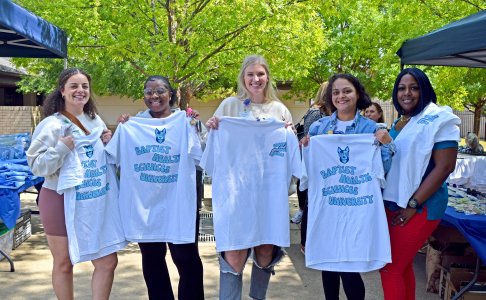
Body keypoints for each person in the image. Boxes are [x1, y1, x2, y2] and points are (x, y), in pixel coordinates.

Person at [204, 55, 299, 300]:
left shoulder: (279, 110)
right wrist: (213, 127)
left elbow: (289, 153)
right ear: (243, 78)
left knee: (266, 249)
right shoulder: (229, 106)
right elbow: (211, 146)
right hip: (236, 193)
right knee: (234, 252)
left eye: (260, 74)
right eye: (250, 75)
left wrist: (289, 135)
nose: (256, 79)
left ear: (267, 77)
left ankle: (258, 297)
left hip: (268, 194)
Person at [26, 68, 116, 300]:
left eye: (84, 86)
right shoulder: (51, 125)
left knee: (107, 260)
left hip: (94, 198)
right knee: (64, 262)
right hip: (58, 198)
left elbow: (102, 158)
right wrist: (62, 148)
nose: (80, 91)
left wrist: (108, 142)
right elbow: (36, 166)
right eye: (74, 86)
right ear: (62, 91)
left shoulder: (95, 121)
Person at [305, 73, 395, 300]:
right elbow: (308, 167)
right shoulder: (318, 128)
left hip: (358, 207)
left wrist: (387, 144)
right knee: (329, 262)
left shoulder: (370, 129)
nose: (341, 96)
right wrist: (304, 147)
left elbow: (385, 166)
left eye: (347, 91)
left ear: (357, 94)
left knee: (349, 266)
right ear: (330, 97)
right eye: (336, 92)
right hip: (328, 206)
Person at [114, 75, 204, 300]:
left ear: (171, 94)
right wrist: (119, 130)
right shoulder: (132, 125)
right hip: (146, 205)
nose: (154, 96)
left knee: (186, 258)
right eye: (148, 92)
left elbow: (201, 155)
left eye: (160, 91)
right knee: (152, 259)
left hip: (179, 201)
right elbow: (113, 155)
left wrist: (198, 127)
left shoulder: (186, 122)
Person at [380, 68, 460, 300]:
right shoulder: (401, 121)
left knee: (390, 267)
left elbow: (445, 167)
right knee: (402, 266)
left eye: (414, 87)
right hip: (396, 203)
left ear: (424, 90)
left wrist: (414, 204)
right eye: (402, 88)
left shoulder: (439, 118)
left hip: (421, 206)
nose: (407, 93)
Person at [292, 81, 329, 256]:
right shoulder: (316, 112)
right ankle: (306, 243)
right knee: (311, 203)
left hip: (328, 167)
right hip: (315, 164)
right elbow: (310, 136)